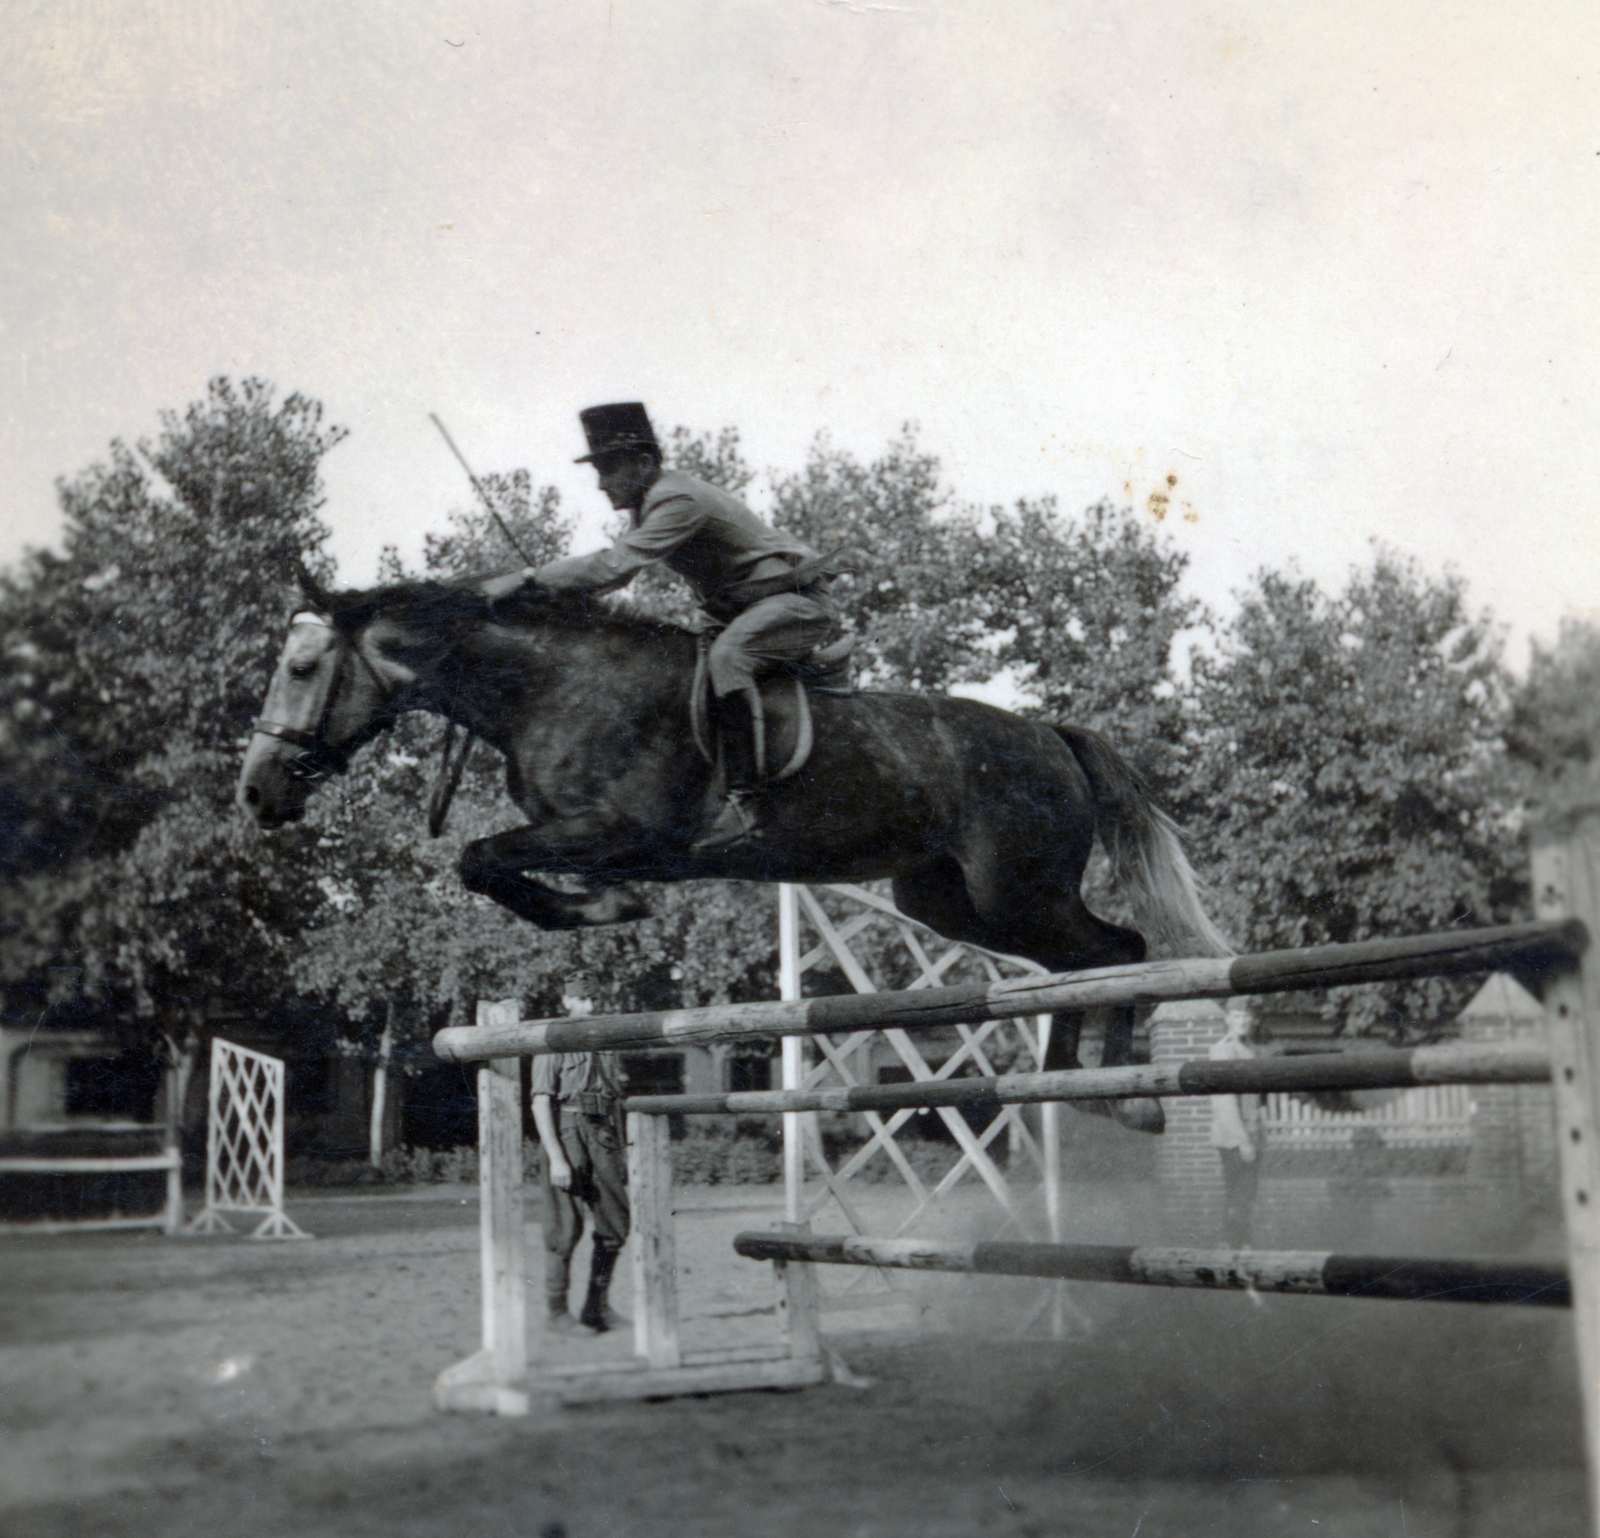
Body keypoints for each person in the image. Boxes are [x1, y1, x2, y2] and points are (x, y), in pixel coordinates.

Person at [481, 402, 842, 851]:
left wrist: (529, 578)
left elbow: (614, 567)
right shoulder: (649, 503)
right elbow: (617, 574)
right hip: (744, 608)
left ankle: (745, 803)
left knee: (730, 658)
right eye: (599, 469)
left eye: (610, 469)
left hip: (795, 605)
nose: (601, 483)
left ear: (645, 462)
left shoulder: (677, 500)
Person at [529, 973, 630, 1334]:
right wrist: (556, 1157)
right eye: (580, 1000)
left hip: (603, 1134)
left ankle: (596, 1308)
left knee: (615, 1221)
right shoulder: (553, 1039)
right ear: (566, 1001)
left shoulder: (605, 1039)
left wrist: (622, 1151)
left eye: (592, 1000)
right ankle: (556, 1313)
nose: (588, 1007)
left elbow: (617, 1099)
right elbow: (541, 1102)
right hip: (568, 1132)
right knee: (563, 1226)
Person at [1209, 1001, 1264, 1248]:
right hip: (1234, 1139)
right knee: (1238, 1198)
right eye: (1237, 1016)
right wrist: (1243, 1141)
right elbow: (1224, 1103)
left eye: (1246, 1016)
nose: (1243, 1021)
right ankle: (1233, 1250)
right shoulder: (1223, 1051)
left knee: (1245, 1199)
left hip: (1250, 1136)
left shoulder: (1248, 1049)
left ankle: (1241, 1248)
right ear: (1227, 1019)